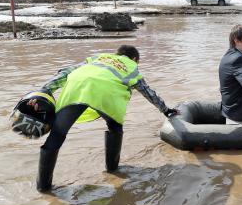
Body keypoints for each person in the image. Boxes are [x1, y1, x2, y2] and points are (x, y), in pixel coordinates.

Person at [29, 45, 178, 193]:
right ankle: (112, 169)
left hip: (76, 88)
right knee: (115, 127)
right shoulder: (131, 66)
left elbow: (65, 72)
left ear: (117, 54)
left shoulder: (99, 57)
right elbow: (148, 92)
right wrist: (166, 110)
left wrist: (44, 91)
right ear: (135, 59)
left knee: (57, 135)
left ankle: (43, 187)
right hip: (107, 94)